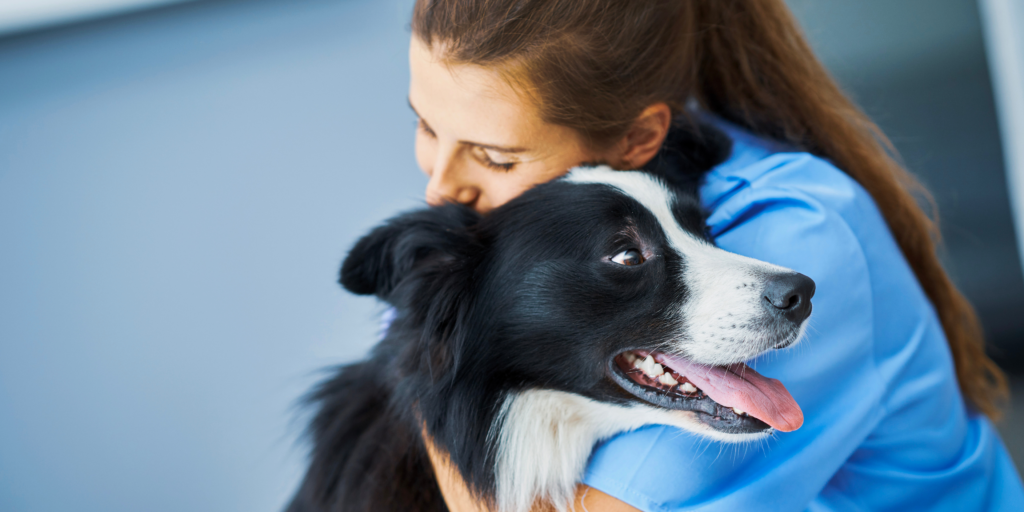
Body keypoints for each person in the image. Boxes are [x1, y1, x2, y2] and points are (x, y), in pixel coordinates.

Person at [404, 0, 1024, 510]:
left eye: (497, 157)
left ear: (638, 139)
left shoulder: (792, 235)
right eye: (428, 127)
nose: (439, 188)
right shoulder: (528, 235)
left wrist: (436, 354)